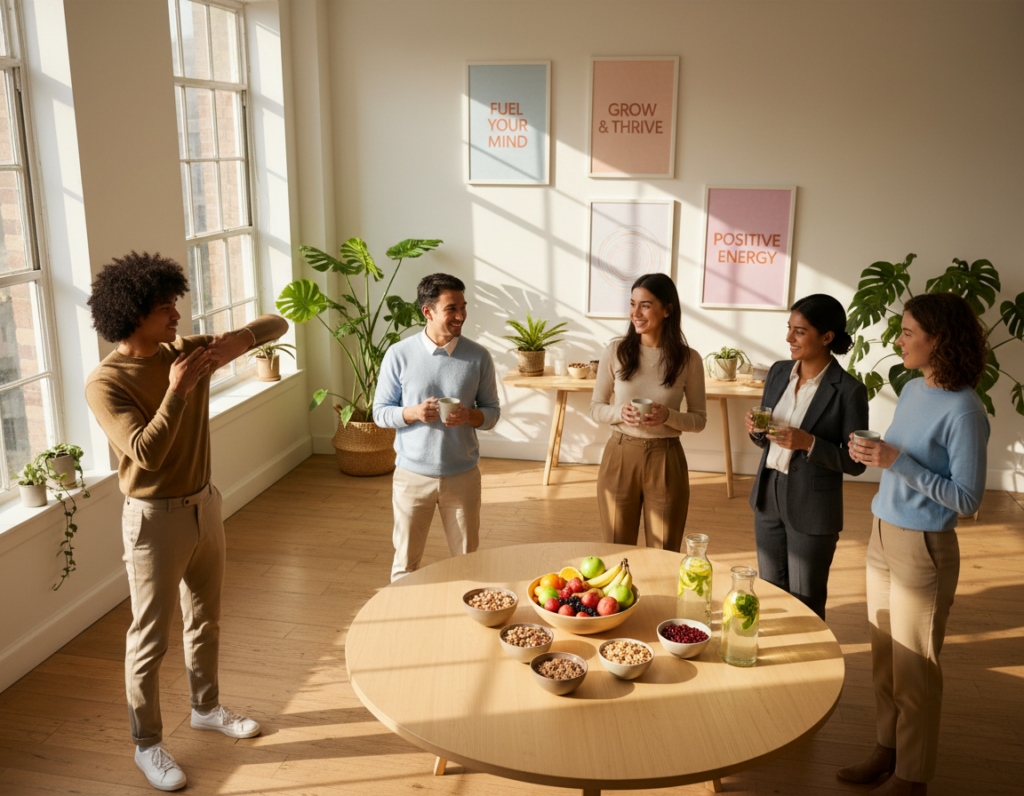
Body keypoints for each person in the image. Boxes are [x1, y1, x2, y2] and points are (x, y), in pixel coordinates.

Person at [84, 252, 288, 791]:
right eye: (164, 308)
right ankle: (147, 745)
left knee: (206, 619)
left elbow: (278, 324)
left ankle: (207, 708)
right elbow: (146, 453)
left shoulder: (189, 353)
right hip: (153, 520)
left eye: (175, 304)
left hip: (205, 504)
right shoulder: (105, 383)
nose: (177, 315)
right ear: (133, 315)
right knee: (149, 638)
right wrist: (177, 391)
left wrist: (237, 342)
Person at [838, 293, 989, 796]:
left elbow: (967, 499)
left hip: (924, 548)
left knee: (914, 669)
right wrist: (878, 455)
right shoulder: (912, 388)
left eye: (907, 333)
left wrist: (896, 461)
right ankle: (887, 749)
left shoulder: (965, 412)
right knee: (884, 658)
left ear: (938, 340)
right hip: (882, 533)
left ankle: (912, 777)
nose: (898, 340)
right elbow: (902, 459)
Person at [744, 294, 869, 620]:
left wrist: (809, 443)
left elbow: (856, 462)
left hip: (813, 507)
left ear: (826, 337)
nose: (789, 338)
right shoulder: (778, 372)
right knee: (770, 593)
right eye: (789, 328)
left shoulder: (849, 391)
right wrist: (756, 430)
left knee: (807, 602)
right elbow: (765, 438)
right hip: (768, 495)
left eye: (799, 331)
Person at [373, 273, 500, 582]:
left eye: (463, 307)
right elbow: (380, 413)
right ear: (427, 312)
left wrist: (469, 415)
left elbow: (492, 414)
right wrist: (413, 413)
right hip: (411, 477)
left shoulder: (479, 357)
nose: (461, 316)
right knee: (405, 566)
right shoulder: (399, 355)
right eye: (451, 308)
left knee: (468, 564)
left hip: (463, 476)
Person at [590, 273, 706, 552]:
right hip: (620, 456)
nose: (635, 313)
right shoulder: (616, 351)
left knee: (664, 551)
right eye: (632, 304)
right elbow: (596, 408)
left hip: (666, 459)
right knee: (616, 549)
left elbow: (699, 420)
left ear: (667, 310)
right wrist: (620, 413)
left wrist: (669, 416)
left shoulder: (689, 359)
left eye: (645, 305)